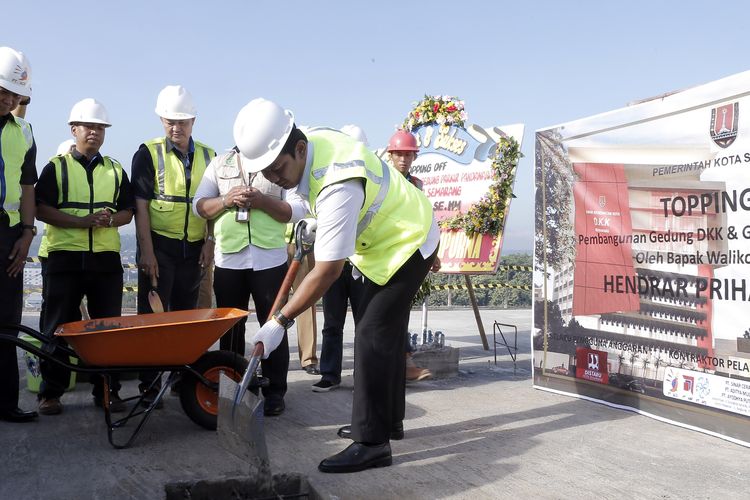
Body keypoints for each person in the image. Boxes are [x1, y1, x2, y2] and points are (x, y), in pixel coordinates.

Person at [234, 98, 439, 473]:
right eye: (267, 173)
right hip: (387, 241)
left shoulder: (338, 181)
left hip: (409, 239)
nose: (275, 179)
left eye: (277, 170)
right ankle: (386, 422)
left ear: (297, 148)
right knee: (383, 335)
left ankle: (372, 442)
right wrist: (312, 217)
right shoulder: (310, 141)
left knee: (373, 334)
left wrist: (279, 321)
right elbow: (303, 195)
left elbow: (327, 270)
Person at [35, 98, 134, 415]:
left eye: (100, 127)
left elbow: (128, 211)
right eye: (89, 126)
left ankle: (107, 391)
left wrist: (111, 220)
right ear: (73, 129)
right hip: (64, 259)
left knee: (107, 331)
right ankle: (51, 393)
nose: (94, 132)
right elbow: (41, 209)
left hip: (105, 261)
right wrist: (81, 223)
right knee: (57, 329)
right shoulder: (56, 167)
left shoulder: (116, 170)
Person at [194, 146, 306, 416]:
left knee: (274, 324)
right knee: (231, 328)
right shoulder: (220, 165)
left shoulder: (280, 162)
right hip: (229, 259)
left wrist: (262, 201)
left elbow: (298, 208)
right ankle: (233, 386)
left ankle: (275, 391)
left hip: (269, 258)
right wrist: (226, 200)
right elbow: (199, 207)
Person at [131, 85, 215, 404]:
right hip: (160, 249)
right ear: (162, 120)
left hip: (193, 250)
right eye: (170, 121)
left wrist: (210, 240)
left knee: (184, 319)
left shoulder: (209, 156)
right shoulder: (148, 152)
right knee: (152, 321)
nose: (176, 128)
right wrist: (147, 251)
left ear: (193, 120)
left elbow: (213, 203)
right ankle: (149, 384)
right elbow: (141, 206)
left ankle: (181, 380)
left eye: (182, 121)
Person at [311, 125, 369, 393]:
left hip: (362, 265)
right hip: (334, 263)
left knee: (363, 325)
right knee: (332, 323)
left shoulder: (370, 180)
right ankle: (330, 374)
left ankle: (363, 376)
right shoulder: (329, 180)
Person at [0, 46, 38, 423]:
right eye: (1, 90)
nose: (7, 98)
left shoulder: (24, 131)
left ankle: (6, 402)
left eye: (13, 93)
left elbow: (28, 187)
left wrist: (27, 234)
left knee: (7, 322)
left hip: (7, 233)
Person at [386, 129, 441, 382]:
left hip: (408, 257)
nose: (404, 160)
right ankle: (390, 366)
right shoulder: (382, 181)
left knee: (400, 311)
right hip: (384, 255)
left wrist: (432, 255)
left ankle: (402, 364)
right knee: (382, 315)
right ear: (391, 155)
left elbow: (423, 220)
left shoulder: (417, 185)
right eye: (399, 154)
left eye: (409, 155)